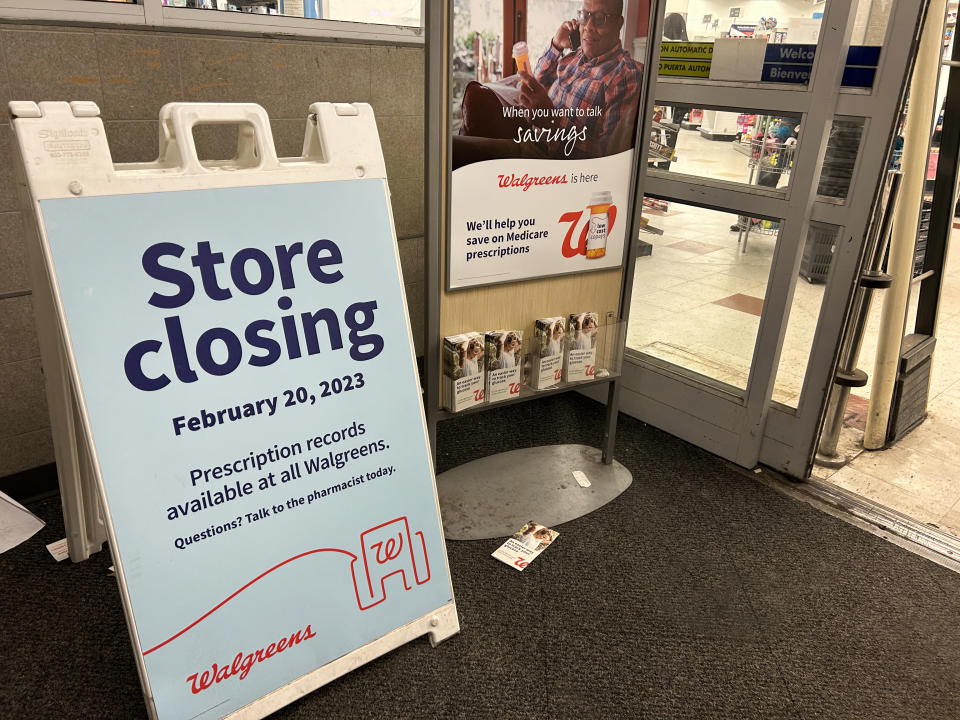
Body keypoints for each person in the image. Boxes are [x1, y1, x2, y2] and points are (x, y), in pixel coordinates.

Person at [517, 0, 643, 159]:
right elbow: (539, 81)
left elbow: (608, 157)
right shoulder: (574, 56)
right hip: (529, 142)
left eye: (600, 17)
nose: (588, 26)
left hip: (555, 168)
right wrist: (556, 45)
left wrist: (553, 122)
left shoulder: (626, 76)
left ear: (618, 24)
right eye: (585, 16)